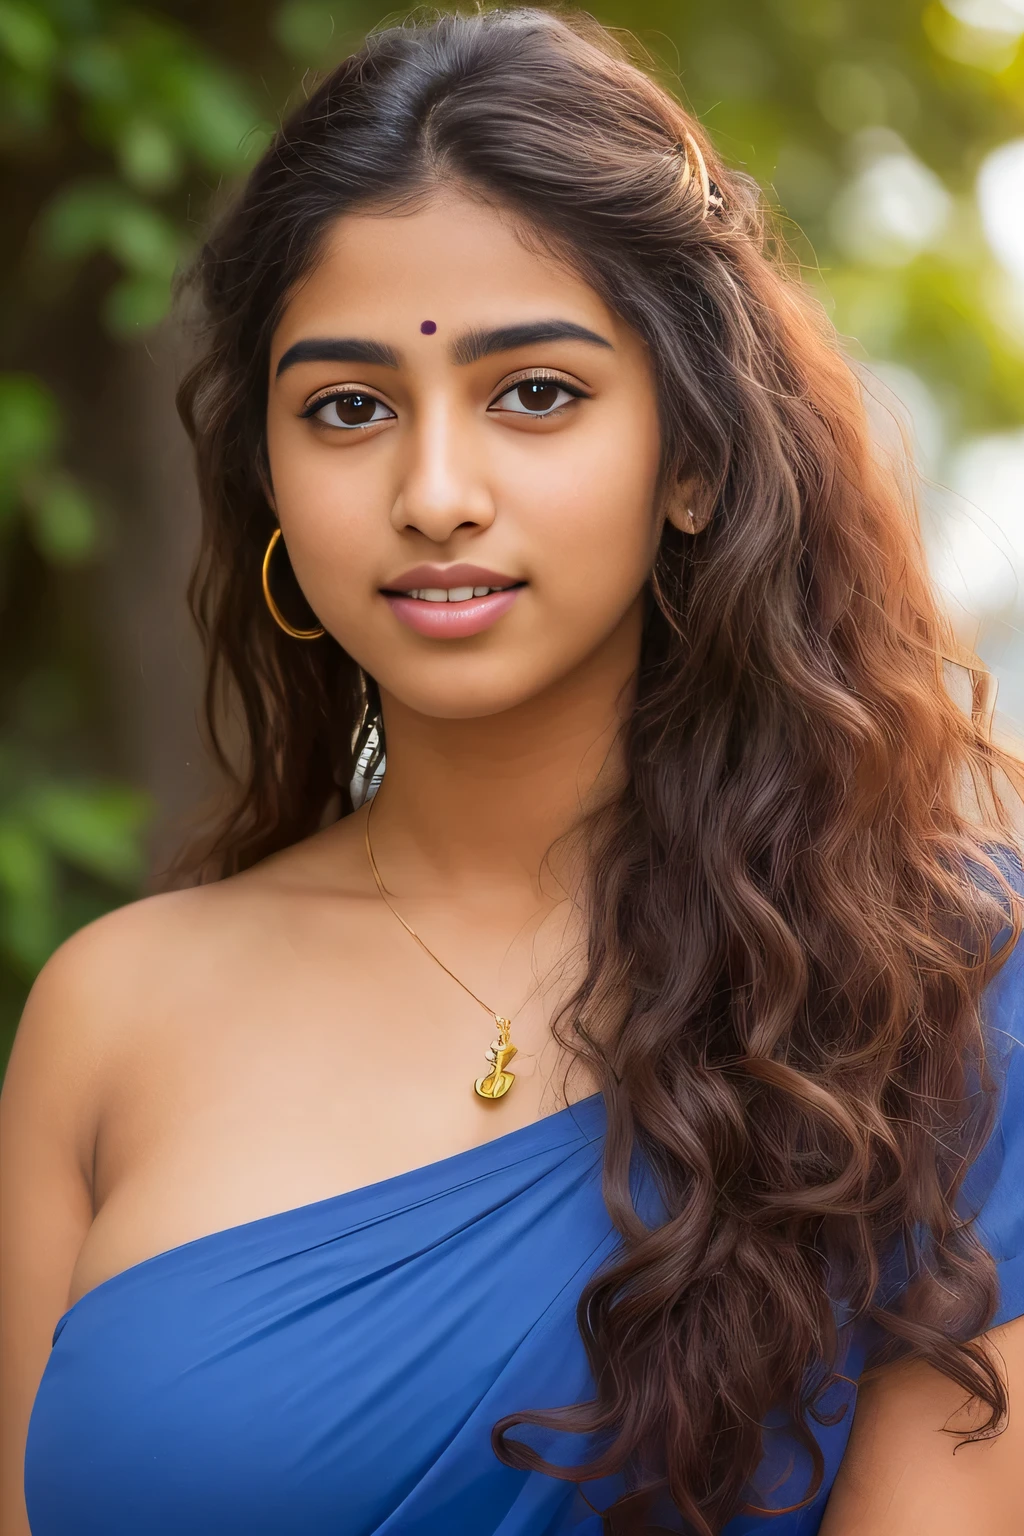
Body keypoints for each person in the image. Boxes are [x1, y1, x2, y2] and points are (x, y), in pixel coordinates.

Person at [3, 8, 1024, 1534]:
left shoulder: (939, 995)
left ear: (695, 459)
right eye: (348, 408)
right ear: (269, 478)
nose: (434, 493)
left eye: (535, 392)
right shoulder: (111, 1014)